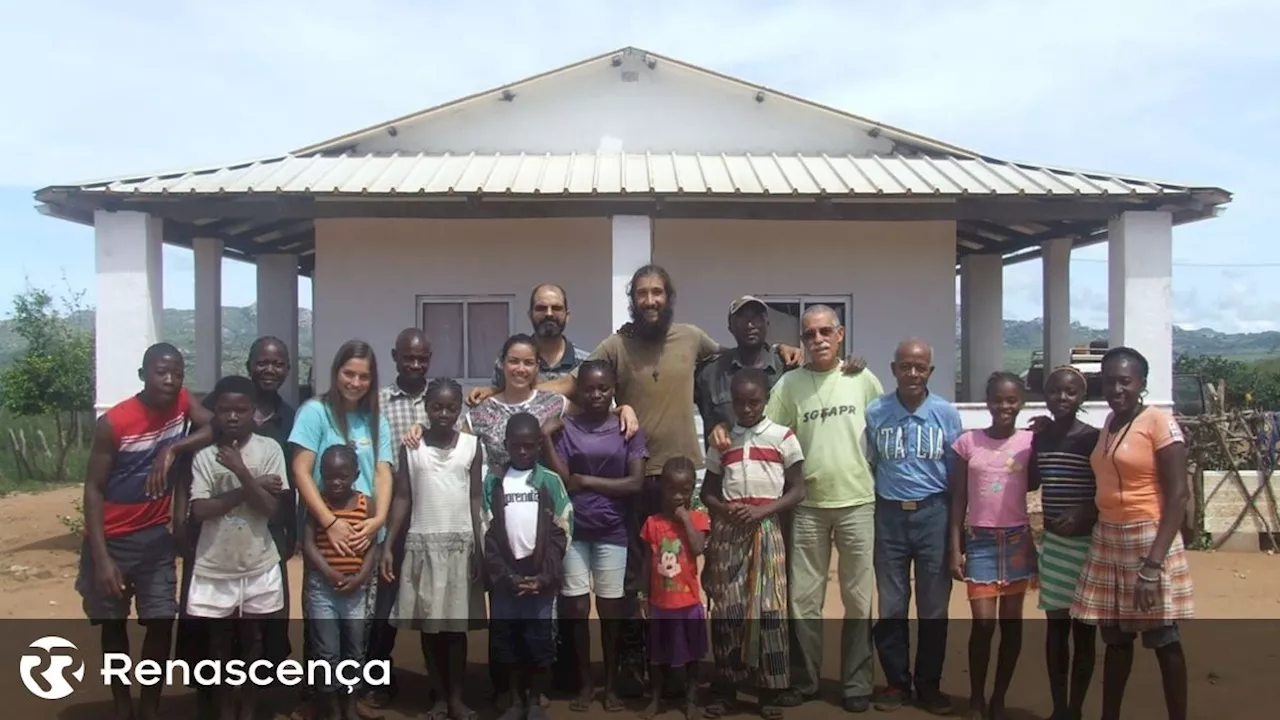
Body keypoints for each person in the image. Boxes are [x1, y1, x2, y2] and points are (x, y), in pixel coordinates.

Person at [710, 306, 881, 712]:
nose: (818, 339)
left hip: (857, 501)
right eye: (809, 334)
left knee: (858, 598)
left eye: (826, 332)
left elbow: (882, 425)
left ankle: (857, 683)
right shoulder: (789, 385)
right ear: (801, 341)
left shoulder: (862, 379)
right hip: (808, 507)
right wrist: (721, 430)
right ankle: (805, 679)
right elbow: (759, 429)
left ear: (840, 335)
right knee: (803, 599)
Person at [76, 342, 214, 720]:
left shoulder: (182, 404)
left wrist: (173, 450)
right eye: (161, 372)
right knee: (113, 625)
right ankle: (123, 705)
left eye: (177, 374)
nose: (170, 380)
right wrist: (102, 559)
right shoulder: (115, 423)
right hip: (112, 541)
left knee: (159, 620)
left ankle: (150, 707)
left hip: (155, 537)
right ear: (143, 375)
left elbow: (216, 426)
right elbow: (93, 489)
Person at [175, 336, 299, 719]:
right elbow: (196, 498)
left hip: (262, 543)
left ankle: (252, 707)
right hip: (213, 549)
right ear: (249, 364)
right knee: (210, 637)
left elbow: (279, 498)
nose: (270, 369)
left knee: (259, 635)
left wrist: (251, 483)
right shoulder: (209, 430)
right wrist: (253, 486)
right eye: (262, 362)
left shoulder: (287, 419)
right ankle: (211, 706)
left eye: (278, 364)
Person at [1070, 347, 1193, 720]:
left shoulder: (1159, 423)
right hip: (1109, 538)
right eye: (1110, 381)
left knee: (1162, 638)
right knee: (1116, 638)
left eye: (1125, 381)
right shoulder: (1109, 422)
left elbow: (1178, 494)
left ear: (1141, 383)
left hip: (1149, 539)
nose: (1117, 388)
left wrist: (1153, 565)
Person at [288, 340, 394, 720]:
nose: (355, 382)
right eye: (349, 373)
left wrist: (379, 521)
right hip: (324, 532)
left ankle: (350, 701)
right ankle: (321, 703)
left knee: (356, 630)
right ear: (336, 372)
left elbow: (383, 472)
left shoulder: (375, 419)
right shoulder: (315, 412)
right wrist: (329, 522)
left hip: (365, 533)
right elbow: (301, 471)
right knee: (321, 626)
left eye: (364, 376)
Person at [541, 359, 649, 713]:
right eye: (589, 388)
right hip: (574, 530)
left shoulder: (627, 427)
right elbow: (562, 478)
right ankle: (586, 684)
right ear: (580, 390)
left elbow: (634, 483)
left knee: (611, 609)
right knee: (575, 607)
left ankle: (612, 685)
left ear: (614, 388)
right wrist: (546, 438)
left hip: (613, 530)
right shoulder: (566, 428)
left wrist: (587, 481)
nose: (597, 394)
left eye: (604, 387)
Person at [700, 367, 806, 720]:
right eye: (740, 402)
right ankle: (727, 688)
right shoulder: (722, 440)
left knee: (770, 610)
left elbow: (797, 489)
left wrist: (765, 511)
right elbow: (707, 492)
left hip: (766, 528)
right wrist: (725, 510)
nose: (747, 409)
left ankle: (769, 692)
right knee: (728, 609)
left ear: (765, 400)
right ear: (731, 401)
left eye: (754, 401)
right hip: (730, 533)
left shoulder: (782, 437)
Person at [864, 339, 962, 714]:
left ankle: (929, 685)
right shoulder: (876, 413)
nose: (912, 374)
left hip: (933, 513)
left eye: (920, 367)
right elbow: (870, 464)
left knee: (934, 605)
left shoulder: (946, 415)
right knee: (892, 602)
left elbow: (956, 479)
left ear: (930, 372)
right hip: (888, 515)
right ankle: (896, 682)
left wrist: (955, 530)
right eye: (905, 366)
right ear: (893, 369)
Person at [383, 377, 486, 720]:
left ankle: (457, 698)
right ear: (425, 408)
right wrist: (388, 543)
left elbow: (474, 498)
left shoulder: (472, 446)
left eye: (451, 408)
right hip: (423, 545)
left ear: (460, 410)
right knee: (430, 630)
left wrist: (479, 547)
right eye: (437, 407)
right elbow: (402, 496)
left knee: (455, 632)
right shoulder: (412, 447)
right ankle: (439, 698)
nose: (444, 413)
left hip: (460, 546)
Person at [948, 372, 1037, 720]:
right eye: (998, 400)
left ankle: (999, 698)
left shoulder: (1030, 442)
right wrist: (954, 547)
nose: (1004, 406)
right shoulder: (968, 443)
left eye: (1012, 400)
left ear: (1022, 403)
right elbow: (958, 498)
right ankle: (975, 699)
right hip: (980, 542)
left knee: (1011, 625)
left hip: (1016, 540)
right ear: (988, 402)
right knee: (983, 625)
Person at [482, 412, 574, 720]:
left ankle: (535, 699)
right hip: (506, 580)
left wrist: (545, 575)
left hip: (541, 579)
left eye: (529, 446)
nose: (523, 452)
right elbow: (486, 530)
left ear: (538, 445)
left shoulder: (549, 481)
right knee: (508, 642)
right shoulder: (494, 481)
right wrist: (505, 576)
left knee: (539, 643)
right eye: (516, 446)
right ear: (506, 445)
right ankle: (514, 700)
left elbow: (564, 529)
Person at [367, 328, 434, 709]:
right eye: (408, 357)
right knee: (384, 602)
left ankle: (437, 682)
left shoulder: (443, 399)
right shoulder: (377, 402)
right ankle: (377, 679)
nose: (415, 364)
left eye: (422, 358)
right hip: (390, 515)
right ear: (394, 357)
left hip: (433, 515)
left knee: (432, 602)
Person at [1028, 366, 1100, 720]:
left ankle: (1077, 708)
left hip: (1089, 545)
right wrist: (1025, 439)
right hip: (1055, 546)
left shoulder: (1093, 439)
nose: (1062, 398)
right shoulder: (1041, 438)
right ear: (1046, 395)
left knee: (1084, 634)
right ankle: (1059, 709)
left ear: (1082, 397)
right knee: (1056, 632)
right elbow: (1029, 481)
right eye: (1055, 391)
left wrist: (1087, 509)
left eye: (1071, 392)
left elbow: (1108, 490)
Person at [302, 445, 381, 720]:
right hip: (323, 589)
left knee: (354, 651)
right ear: (320, 475)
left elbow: (373, 546)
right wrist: (328, 573)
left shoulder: (366, 504)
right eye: (329, 476)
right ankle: (332, 710)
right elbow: (308, 545)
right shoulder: (318, 504)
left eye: (342, 476)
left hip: (357, 590)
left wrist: (360, 577)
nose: (335, 482)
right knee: (326, 651)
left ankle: (350, 708)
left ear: (356, 474)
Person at [639, 457, 710, 720]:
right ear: (662, 488)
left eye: (685, 490)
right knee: (657, 655)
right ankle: (656, 699)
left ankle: (691, 701)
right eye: (672, 489)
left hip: (688, 603)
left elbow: (698, 548)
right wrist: (642, 595)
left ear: (693, 489)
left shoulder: (698, 519)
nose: (678, 496)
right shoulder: (652, 523)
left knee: (693, 656)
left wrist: (684, 519)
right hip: (660, 604)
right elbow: (647, 563)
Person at [694, 296, 797, 445]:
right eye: (742, 319)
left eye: (757, 318)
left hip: (778, 464)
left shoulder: (788, 368)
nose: (750, 325)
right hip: (728, 464)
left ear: (767, 323)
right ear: (730, 327)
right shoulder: (710, 374)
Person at [489, 283, 592, 389]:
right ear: (530, 315)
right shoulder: (510, 362)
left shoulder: (585, 363)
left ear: (567, 316)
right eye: (541, 308)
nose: (549, 314)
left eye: (556, 308)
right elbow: (498, 399)